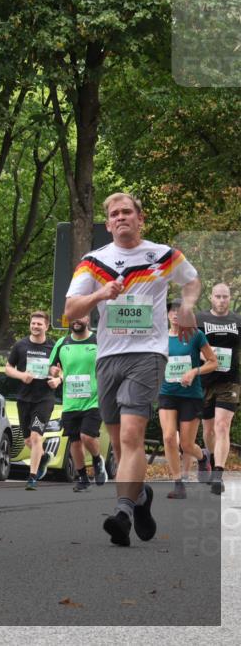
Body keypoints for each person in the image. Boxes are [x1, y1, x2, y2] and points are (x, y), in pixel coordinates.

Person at [65, 192, 201, 546]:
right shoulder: (94, 261)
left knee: (130, 436)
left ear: (141, 219)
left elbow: (192, 280)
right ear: (108, 224)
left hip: (147, 354)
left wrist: (186, 307)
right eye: (114, 214)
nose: (121, 217)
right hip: (108, 356)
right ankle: (140, 499)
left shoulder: (162, 255)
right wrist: (99, 295)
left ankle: (123, 513)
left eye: (128, 212)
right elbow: (70, 309)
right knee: (122, 450)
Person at [159, 299, 217, 499]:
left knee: (186, 444)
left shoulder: (195, 335)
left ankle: (203, 457)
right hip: (167, 393)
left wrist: (194, 371)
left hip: (190, 396)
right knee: (168, 437)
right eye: (172, 311)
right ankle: (178, 483)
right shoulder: (159, 338)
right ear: (167, 315)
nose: (175, 314)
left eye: (179, 311)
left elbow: (213, 362)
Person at [48, 314, 106, 492]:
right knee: (74, 442)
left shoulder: (98, 340)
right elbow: (52, 367)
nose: (77, 320)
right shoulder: (62, 343)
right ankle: (82, 477)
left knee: (87, 436)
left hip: (94, 399)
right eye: (73, 317)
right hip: (71, 401)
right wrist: (55, 371)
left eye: (81, 317)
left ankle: (97, 460)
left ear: (88, 319)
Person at [5, 311, 58, 490]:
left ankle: (32, 477)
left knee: (36, 437)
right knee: (28, 440)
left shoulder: (53, 347)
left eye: (39, 324)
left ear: (46, 326)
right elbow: (8, 368)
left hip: (44, 398)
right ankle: (43, 458)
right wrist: (22, 376)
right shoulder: (20, 345)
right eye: (33, 323)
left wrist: (57, 378)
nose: (35, 326)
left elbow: (63, 369)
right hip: (24, 398)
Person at [197, 283, 240, 495]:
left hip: (230, 381)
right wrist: (202, 355)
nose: (222, 300)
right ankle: (211, 459)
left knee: (222, 425)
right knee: (208, 429)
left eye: (225, 297)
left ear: (230, 298)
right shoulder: (200, 319)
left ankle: (218, 474)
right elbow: (191, 345)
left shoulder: (237, 321)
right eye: (218, 297)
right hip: (205, 381)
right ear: (211, 298)